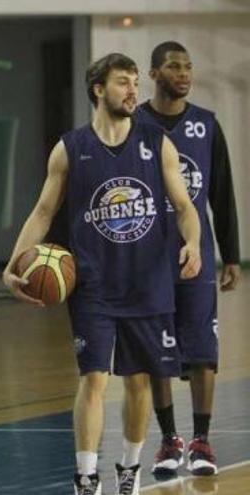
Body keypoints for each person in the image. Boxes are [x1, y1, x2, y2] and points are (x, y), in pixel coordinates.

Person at [2, 53, 202, 495]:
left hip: (148, 283)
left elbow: (186, 207)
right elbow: (43, 211)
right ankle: (86, 476)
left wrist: (194, 242)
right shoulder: (71, 148)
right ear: (98, 89)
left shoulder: (158, 142)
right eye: (122, 83)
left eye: (135, 82)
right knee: (93, 377)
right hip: (93, 285)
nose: (133, 90)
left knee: (140, 382)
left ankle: (129, 468)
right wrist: (14, 265)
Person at [136, 41, 241, 477]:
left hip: (195, 256)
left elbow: (221, 191)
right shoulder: (134, 123)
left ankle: (201, 440)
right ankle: (167, 442)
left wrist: (231, 254)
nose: (183, 74)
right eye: (173, 67)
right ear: (154, 73)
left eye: (188, 67)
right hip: (147, 260)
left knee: (202, 351)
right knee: (158, 355)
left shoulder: (205, 125)